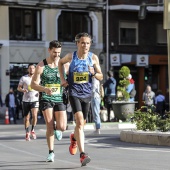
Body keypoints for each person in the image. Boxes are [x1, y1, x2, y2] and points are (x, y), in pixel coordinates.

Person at [58, 32, 103, 166]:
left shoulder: (93, 58)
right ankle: (83, 155)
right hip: (74, 93)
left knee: (81, 124)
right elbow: (60, 63)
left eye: (88, 43)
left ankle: (74, 137)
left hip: (87, 94)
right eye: (82, 43)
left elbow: (101, 76)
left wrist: (94, 73)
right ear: (77, 43)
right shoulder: (71, 57)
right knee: (78, 121)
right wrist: (62, 79)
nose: (85, 45)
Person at [31, 40, 68, 162]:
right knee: (49, 125)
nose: (57, 55)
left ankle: (59, 129)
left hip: (59, 98)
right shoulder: (41, 65)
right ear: (49, 50)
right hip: (46, 98)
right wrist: (44, 89)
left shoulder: (64, 65)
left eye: (58, 52)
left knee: (62, 127)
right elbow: (33, 84)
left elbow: (70, 80)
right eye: (54, 52)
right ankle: (51, 152)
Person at [17, 64, 39, 141]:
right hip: (25, 100)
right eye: (30, 68)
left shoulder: (37, 77)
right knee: (27, 118)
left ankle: (32, 130)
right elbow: (18, 87)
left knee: (35, 115)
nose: (31, 70)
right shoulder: (24, 78)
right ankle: (27, 132)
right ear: (28, 69)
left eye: (33, 68)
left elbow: (41, 87)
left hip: (35, 99)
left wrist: (40, 92)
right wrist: (23, 90)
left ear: (35, 69)